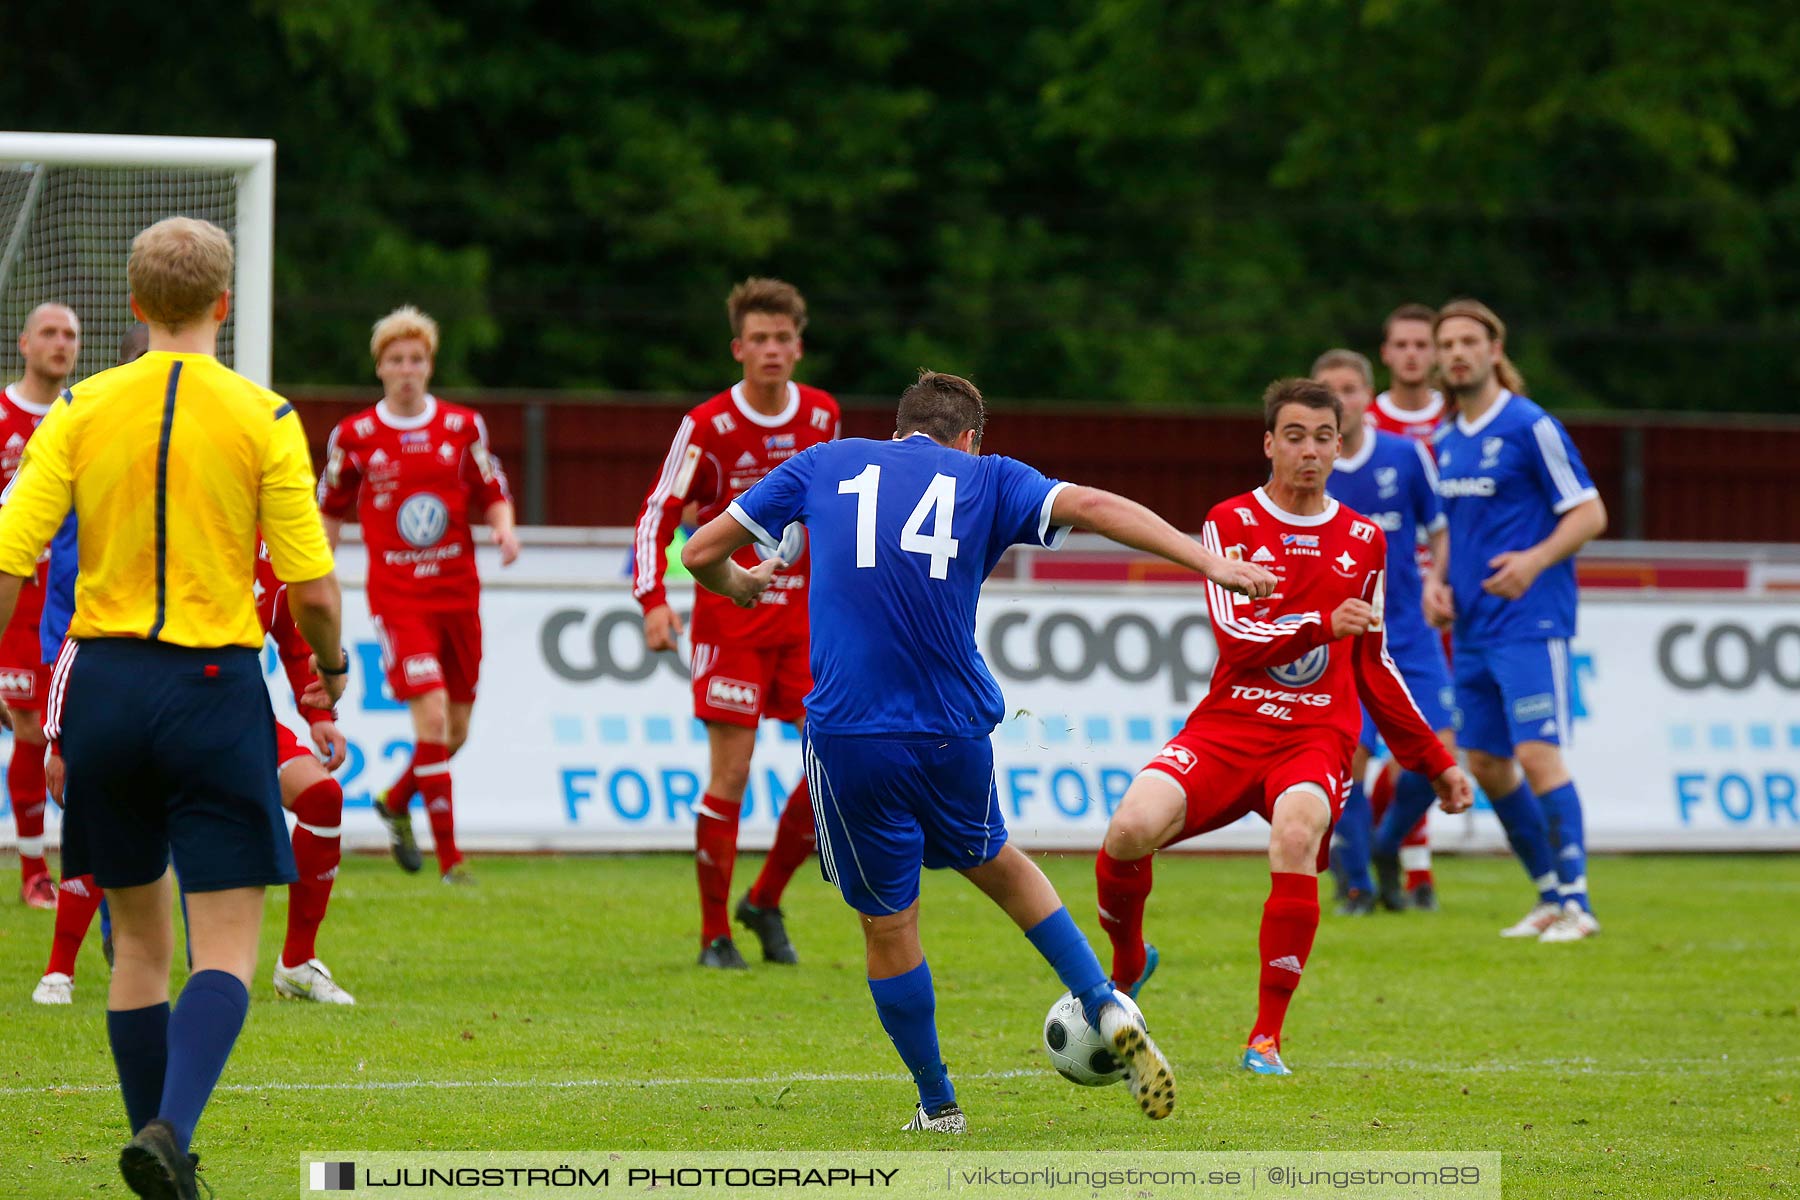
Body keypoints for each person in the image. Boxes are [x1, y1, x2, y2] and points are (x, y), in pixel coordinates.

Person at [683, 370, 1276, 1131]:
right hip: (952, 728)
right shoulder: (989, 477)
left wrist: (737, 585)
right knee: (998, 861)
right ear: (970, 437)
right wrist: (1210, 562)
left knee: (890, 924)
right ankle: (1102, 1000)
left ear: (900, 427)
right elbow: (1093, 507)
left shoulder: (822, 462)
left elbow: (701, 550)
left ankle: (938, 1104)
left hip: (852, 732)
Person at [0, 216, 347, 1198]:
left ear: (135, 305)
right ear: (224, 307)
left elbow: (10, 559)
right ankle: (171, 1128)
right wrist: (331, 662)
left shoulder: (76, 408)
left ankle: (168, 1159)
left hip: (106, 684)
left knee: (139, 948)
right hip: (212, 687)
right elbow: (313, 589)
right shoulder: (263, 416)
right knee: (227, 945)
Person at [1095, 378, 1472, 1077]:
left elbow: (1376, 664)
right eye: (1294, 436)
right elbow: (1237, 638)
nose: (1309, 451)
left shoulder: (1364, 540)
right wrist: (1318, 625)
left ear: (1339, 446)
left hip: (1316, 735)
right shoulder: (1230, 523)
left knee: (1295, 834)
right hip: (1227, 726)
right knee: (1127, 832)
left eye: (1323, 438)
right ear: (1269, 443)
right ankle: (1128, 964)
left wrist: (1434, 760)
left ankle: (1265, 1038)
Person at [32, 541, 356, 1007]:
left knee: (322, 797)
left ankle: (296, 964)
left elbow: (291, 624)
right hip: (150, 710)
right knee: (113, 816)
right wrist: (59, 740)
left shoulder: (270, 545)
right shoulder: (174, 533)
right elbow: (86, 636)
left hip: (235, 716)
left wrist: (319, 712)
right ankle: (59, 970)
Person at [633, 278, 839, 968]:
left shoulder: (822, 417)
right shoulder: (709, 426)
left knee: (836, 761)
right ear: (738, 349)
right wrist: (652, 599)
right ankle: (714, 934)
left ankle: (766, 897)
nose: (772, 350)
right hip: (730, 624)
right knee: (733, 771)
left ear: (799, 347)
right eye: (760, 340)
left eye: (783, 339)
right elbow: (657, 513)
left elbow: (831, 516)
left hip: (805, 626)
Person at [1426, 299, 1606, 943]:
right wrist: (1435, 581)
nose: (1456, 352)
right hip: (1471, 628)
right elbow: (1452, 533)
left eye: (1469, 341)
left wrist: (1532, 561)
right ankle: (1549, 895)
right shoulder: (1445, 441)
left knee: (1537, 754)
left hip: (1530, 620)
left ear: (1495, 350)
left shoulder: (1532, 426)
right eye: (1446, 342)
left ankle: (1579, 904)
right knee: (1488, 762)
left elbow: (1589, 514)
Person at [318, 306, 518, 885]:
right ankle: (452, 863)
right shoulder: (355, 436)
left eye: (417, 359)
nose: (406, 370)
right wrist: (316, 575)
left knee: (455, 732)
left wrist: (503, 526)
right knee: (429, 715)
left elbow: (493, 490)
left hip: (458, 595)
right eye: (395, 360)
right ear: (379, 368)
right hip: (399, 598)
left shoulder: (461, 427)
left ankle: (395, 799)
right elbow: (328, 512)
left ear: (430, 366)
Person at [1315, 350, 1457, 914]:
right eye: (1328, 390)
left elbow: (1440, 529)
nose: (1340, 400)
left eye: (1350, 389)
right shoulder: (1309, 467)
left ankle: (1384, 843)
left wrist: (1436, 582)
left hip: (1409, 633)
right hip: (1343, 639)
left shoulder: (1405, 455)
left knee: (1439, 756)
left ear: (1366, 397)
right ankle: (1356, 885)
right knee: (1349, 762)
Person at [1, 301, 81, 909]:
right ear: (24, 343)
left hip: (75, 601)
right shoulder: (2, 416)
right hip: (15, 596)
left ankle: (82, 865)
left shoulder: (83, 417)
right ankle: (34, 869)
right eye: (50, 333)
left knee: (64, 732)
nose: (61, 343)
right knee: (30, 726)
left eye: (71, 334)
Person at [1372, 303, 1446, 442]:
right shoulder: (1367, 421)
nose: (1411, 353)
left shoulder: (1454, 416)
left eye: (1421, 345)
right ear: (1385, 353)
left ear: (1437, 353)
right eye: (1401, 345)